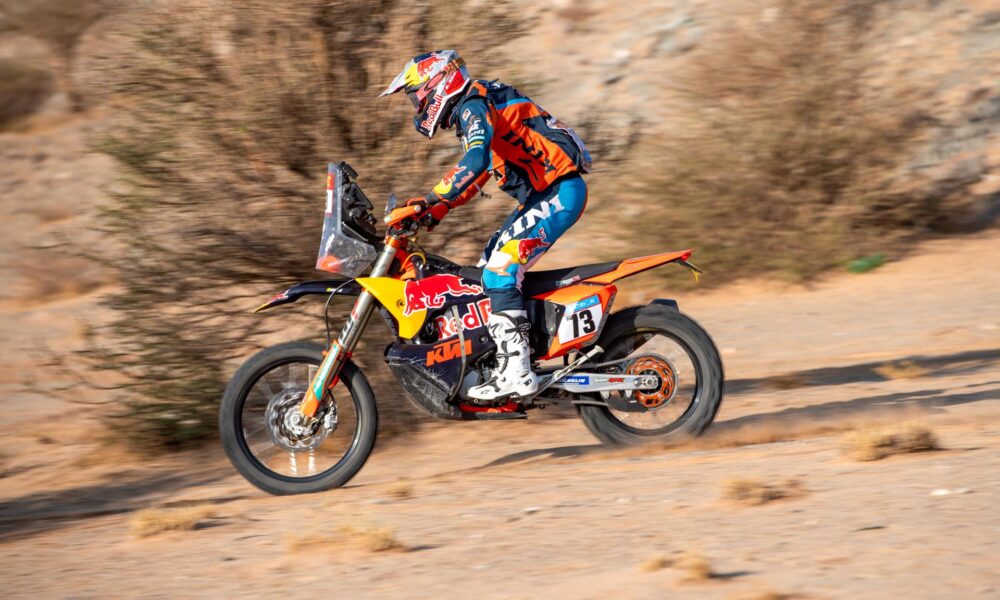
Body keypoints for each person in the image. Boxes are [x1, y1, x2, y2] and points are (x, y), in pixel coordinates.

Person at [380, 50, 592, 401]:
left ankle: (518, 371)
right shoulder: (478, 104)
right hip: (546, 195)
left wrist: (432, 199)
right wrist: (434, 210)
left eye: (416, 94)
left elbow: (475, 160)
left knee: (499, 272)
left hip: (560, 191)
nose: (416, 104)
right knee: (482, 278)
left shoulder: (472, 104)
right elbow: (480, 174)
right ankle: (511, 358)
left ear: (439, 82)